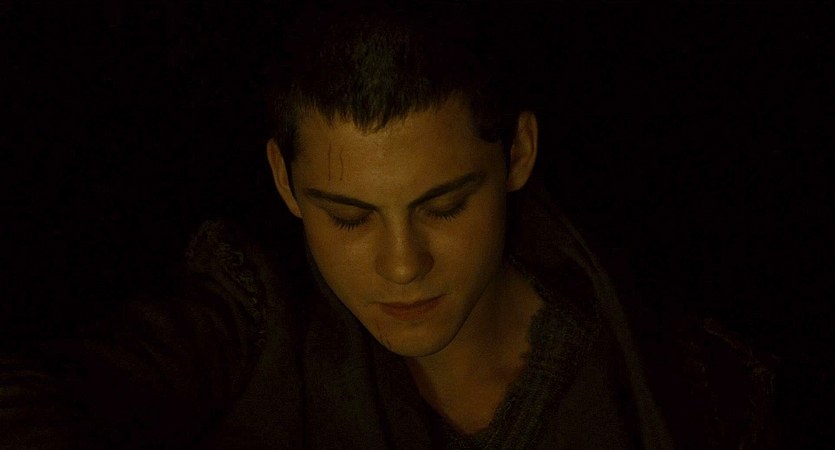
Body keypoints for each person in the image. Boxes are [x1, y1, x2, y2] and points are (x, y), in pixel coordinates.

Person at [1, 1, 775, 448]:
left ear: (517, 154)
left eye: (444, 206)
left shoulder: (691, 389)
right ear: (284, 181)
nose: (402, 266)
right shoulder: (255, 311)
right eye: (348, 217)